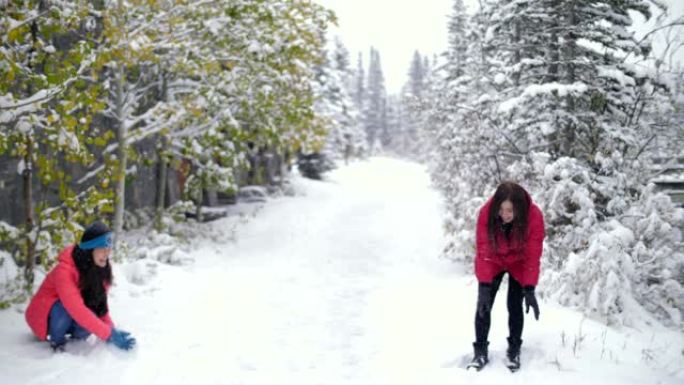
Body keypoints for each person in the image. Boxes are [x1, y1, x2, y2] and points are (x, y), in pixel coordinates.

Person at [467, 182, 545, 371]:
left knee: (514, 304)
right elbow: (484, 251)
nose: (504, 214)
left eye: (510, 210)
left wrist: (529, 287)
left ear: (519, 208)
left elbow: (532, 255)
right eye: (501, 209)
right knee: (484, 306)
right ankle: (480, 352)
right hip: (493, 260)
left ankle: (514, 349)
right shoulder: (487, 213)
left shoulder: (534, 217)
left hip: (519, 262)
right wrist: (485, 287)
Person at [25, 221, 136, 352]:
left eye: (109, 248)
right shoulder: (64, 270)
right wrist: (108, 334)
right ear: (90, 250)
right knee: (64, 309)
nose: (107, 253)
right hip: (44, 318)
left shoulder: (102, 267)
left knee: (92, 312)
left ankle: (74, 342)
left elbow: (100, 306)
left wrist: (112, 329)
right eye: (102, 249)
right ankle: (57, 344)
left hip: (71, 314)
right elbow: (75, 309)